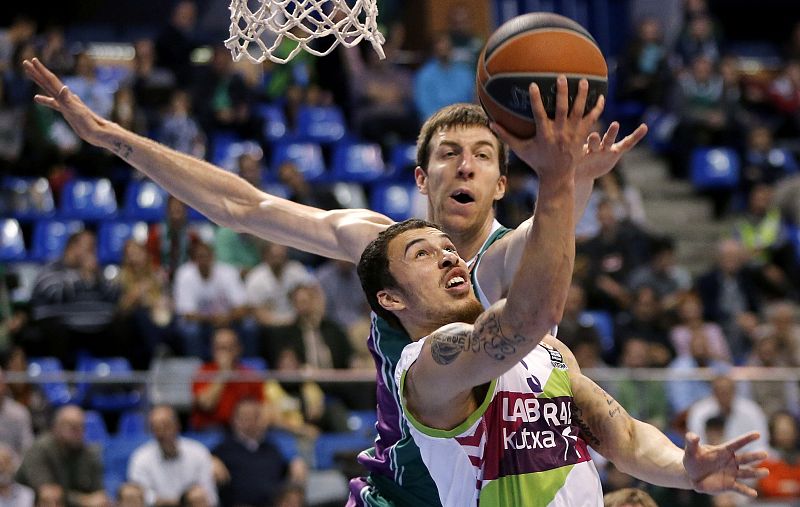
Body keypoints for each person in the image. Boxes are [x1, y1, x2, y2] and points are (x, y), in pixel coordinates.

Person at [23, 57, 647, 506]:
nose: (465, 165)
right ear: (422, 178)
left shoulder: (509, 256)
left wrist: (575, 178)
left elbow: (549, 244)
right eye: (448, 153)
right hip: (401, 489)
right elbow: (244, 206)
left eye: (483, 155)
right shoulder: (378, 241)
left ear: (502, 183)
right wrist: (111, 138)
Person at [361, 83, 765, 505]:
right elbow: (523, 320)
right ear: (391, 299)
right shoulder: (426, 366)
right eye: (422, 253)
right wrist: (558, 179)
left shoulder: (550, 352)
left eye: (448, 248)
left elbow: (624, 437)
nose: (448, 257)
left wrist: (684, 469)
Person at [212, 398, 306, 507]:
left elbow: (286, 480)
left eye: (256, 415)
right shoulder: (223, 449)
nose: (252, 421)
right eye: (246, 416)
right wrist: (210, 459)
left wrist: (295, 462)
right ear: (235, 420)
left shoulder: (272, 448)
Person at [15, 406, 107, 507]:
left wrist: (96, 499)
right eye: (72, 427)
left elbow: (99, 493)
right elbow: (47, 491)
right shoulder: (40, 449)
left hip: (73, 503)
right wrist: (83, 500)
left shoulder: (88, 452)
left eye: (81, 427)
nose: (78, 431)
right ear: (56, 427)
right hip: (24, 502)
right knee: (50, 500)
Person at [127, 405, 218, 507]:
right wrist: (172, 503)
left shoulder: (198, 452)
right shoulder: (140, 457)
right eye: (156, 428)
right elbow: (140, 495)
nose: (162, 432)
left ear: (177, 425)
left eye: (166, 425)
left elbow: (209, 495)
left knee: (198, 496)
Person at [190, 328, 263, 430]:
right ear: (213, 350)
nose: (224, 353)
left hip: (243, 429)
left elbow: (261, 407)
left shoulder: (249, 375)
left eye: (229, 348)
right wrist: (223, 373)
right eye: (220, 348)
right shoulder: (203, 372)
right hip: (211, 428)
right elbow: (206, 405)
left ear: (238, 349)